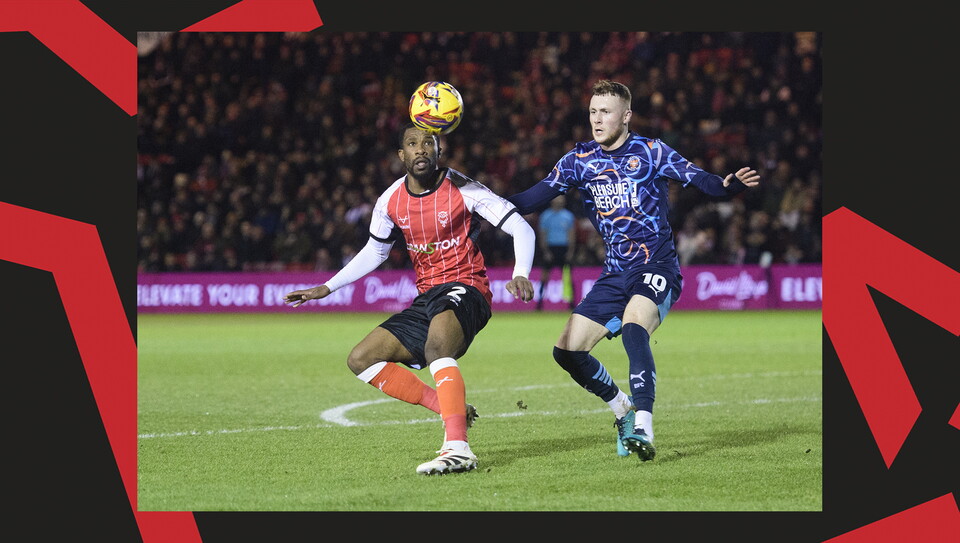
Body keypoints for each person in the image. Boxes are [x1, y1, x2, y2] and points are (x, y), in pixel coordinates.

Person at [507, 80, 761, 461]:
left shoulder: (652, 151)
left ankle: (644, 423)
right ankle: (622, 409)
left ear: (626, 116)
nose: (597, 118)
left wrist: (727, 186)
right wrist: (483, 205)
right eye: (593, 111)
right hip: (614, 274)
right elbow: (532, 197)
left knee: (633, 326)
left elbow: (700, 179)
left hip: (656, 265)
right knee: (567, 352)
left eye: (605, 111)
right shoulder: (579, 160)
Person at [284, 123, 536, 475]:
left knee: (437, 347)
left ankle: (458, 448)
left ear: (438, 151)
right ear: (401, 155)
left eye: (428, 143)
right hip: (427, 296)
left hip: (467, 287)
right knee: (361, 358)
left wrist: (520, 272)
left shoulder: (465, 189)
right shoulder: (391, 200)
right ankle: (450, 407)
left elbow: (520, 227)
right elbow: (375, 252)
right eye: (413, 144)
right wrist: (327, 287)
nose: (421, 149)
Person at [535, 194, 577, 310]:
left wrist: (570, 251)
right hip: (551, 247)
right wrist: (545, 251)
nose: (560, 200)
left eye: (561, 199)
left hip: (564, 247)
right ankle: (539, 302)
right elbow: (543, 235)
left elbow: (571, 234)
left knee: (567, 277)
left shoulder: (568, 216)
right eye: (557, 198)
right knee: (544, 277)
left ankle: (571, 303)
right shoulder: (546, 216)